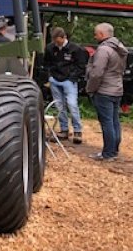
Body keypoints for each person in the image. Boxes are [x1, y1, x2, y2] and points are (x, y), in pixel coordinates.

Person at [86, 22, 127, 161]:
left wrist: (90, 89)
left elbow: (97, 73)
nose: (94, 36)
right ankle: (114, 151)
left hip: (104, 90)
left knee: (107, 122)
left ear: (102, 34)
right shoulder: (120, 48)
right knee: (114, 121)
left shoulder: (104, 50)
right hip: (117, 88)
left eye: (96, 33)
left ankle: (108, 153)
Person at [43, 27, 87, 143]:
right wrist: (50, 76)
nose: (56, 43)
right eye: (54, 41)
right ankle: (64, 130)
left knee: (72, 105)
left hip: (69, 81)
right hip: (55, 80)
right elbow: (46, 63)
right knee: (59, 106)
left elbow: (81, 65)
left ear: (64, 38)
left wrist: (72, 77)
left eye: (58, 41)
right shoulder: (50, 48)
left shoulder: (75, 49)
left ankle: (77, 131)